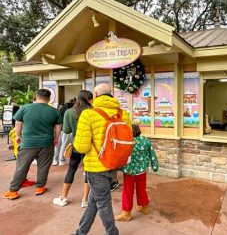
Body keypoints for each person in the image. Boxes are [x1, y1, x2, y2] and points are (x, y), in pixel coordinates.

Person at [73, 83, 129, 235]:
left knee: (103, 202)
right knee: (94, 200)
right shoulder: (123, 114)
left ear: (96, 95)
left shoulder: (88, 114)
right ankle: (81, 231)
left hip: (96, 166)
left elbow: (82, 147)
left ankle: (112, 232)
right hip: (114, 163)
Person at [2, 89, 62, 200]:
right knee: (43, 166)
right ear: (49, 99)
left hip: (28, 143)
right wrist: (56, 138)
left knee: (22, 166)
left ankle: (13, 191)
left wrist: (18, 136)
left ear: (36, 96)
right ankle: (40, 187)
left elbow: (18, 123)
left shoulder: (25, 108)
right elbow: (58, 127)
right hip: (47, 143)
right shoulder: (54, 111)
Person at [53, 90, 93, 208]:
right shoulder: (94, 112)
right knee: (88, 172)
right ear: (90, 99)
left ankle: (64, 197)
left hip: (77, 145)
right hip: (91, 147)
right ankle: (85, 200)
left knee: (71, 169)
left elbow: (66, 130)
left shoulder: (70, 112)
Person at [115, 123, 158, 221]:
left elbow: (121, 155)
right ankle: (144, 207)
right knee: (141, 189)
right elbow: (152, 154)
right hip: (142, 171)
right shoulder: (145, 140)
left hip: (129, 171)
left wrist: (117, 167)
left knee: (127, 192)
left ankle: (126, 213)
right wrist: (155, 166)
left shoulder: (128, 142)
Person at [53, 98, 76, 166]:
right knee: (64, 144)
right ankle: (61, 160)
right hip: (66, 129)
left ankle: (55, 159)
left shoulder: (61, 109)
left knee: (57, 145)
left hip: (59, 129)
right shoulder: (70, 111)